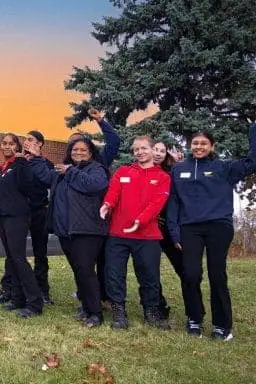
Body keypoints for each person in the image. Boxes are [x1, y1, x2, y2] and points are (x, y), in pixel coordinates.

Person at [167, 122, 256, 341]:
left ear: (212, 146)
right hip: (189, 228)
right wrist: (174, 232)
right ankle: (194, 318)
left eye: (204, 143)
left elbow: (253, 162)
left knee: (217, 275)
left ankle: (221, 326)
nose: (199, 146)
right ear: (190, 145)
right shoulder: (178, 169)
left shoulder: (224, 168)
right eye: (195, 143)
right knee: (190, 273)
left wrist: (254, 128)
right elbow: (174, 203)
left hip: (218, 226)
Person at [26, 136, 109, 327]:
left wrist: (71, 171)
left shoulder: (96, 169)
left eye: (83, 150)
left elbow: (94, 185)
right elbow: (46, 177)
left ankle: (96, 313)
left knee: (85, 270)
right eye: (74, 150)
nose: (78, 153)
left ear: (90, 153)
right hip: (66, 231)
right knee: (78, 270)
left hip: (87, 230)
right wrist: (37, 158)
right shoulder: (63, 170)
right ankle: (87, 307)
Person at [100, 136, 171, 330]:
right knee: (114, 274)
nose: (140, 152)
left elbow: (157, 204)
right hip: (118, 234)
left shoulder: (163, 177)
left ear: (152, 150)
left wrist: (140, 221)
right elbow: (113, 193)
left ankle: (151, 313)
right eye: (136, 149)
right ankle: (118, 313)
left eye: (144, 148)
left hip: (147, 236)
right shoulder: (123, 172)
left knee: (149, 275)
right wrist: (107, 205)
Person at [68, 109, 122, 308]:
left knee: (103, 262)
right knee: (84, 263)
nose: (76, 149)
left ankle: (106, 297)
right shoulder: (68, 166)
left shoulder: (99, 162)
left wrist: (101, 121)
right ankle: (88, 296)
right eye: (72, 146)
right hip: (77, 224)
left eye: (80, 145)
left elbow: (115, 142)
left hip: (99, 222)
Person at [0, 131, 54, 305]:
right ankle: (12, 291)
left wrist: (28, 162)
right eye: (25, 140)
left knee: (38, 253)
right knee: (13, 255)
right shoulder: (9, 165)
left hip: (34, 212)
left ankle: (41, 292)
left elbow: (37, 183)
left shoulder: (39, 163)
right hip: (11, 215)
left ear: (40, 143)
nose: (27, 143)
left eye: (31, 140)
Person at [152, 141, 184, 319]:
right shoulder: (140, 171)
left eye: (162, 151)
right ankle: (158, 305)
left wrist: (177, 165)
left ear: (166, 155)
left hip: (168, 228)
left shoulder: (171, 173)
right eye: (155, 149)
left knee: (183, 266)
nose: (157, 153)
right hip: (150, 228)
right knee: (151, 269)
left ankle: (192, 304)